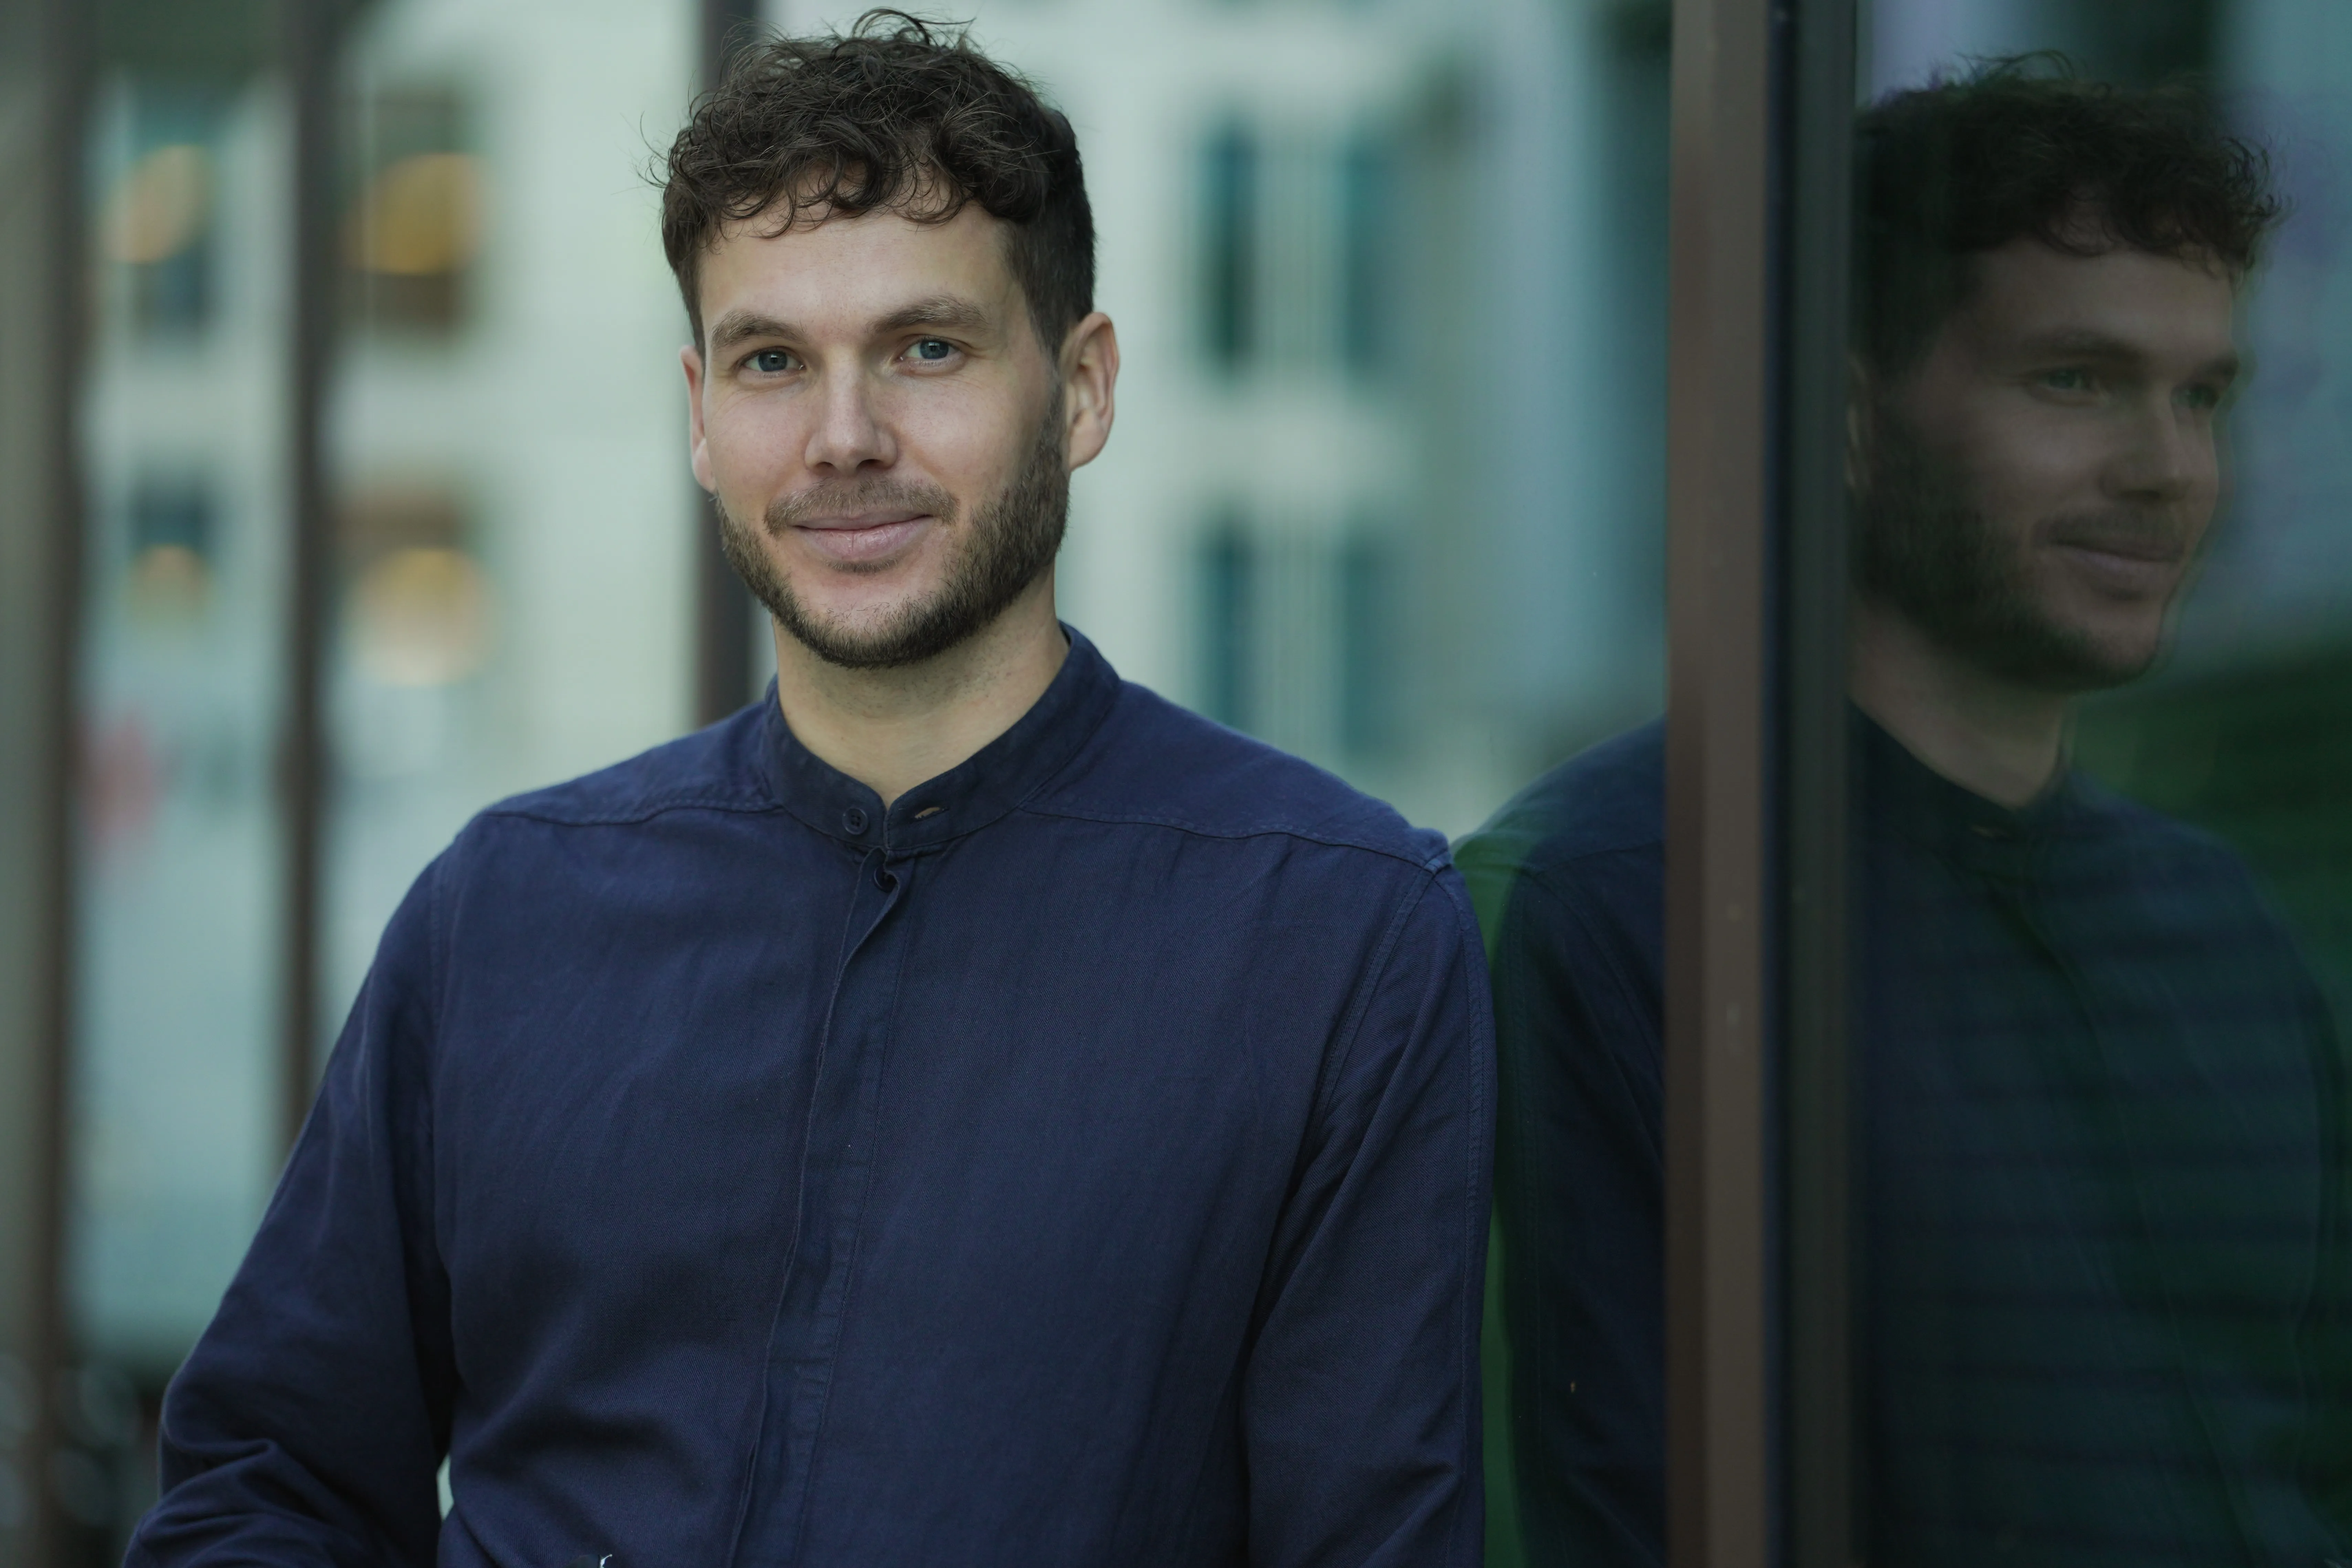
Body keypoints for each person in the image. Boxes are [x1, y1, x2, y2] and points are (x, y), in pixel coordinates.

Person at [129, 17, 1492, 1566]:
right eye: (775, 361)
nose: (843, 440)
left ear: (1084, 387)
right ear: (702, 415)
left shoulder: (1335, 933)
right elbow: (266, 1481)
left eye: (927, 347)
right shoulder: (502, 910)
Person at [1460, 59, 2350, 1566]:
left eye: (2199, 394)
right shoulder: (1609, 906)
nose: (2165, 469)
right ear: (1853, 417)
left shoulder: (2221, 930)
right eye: (2074, 379)